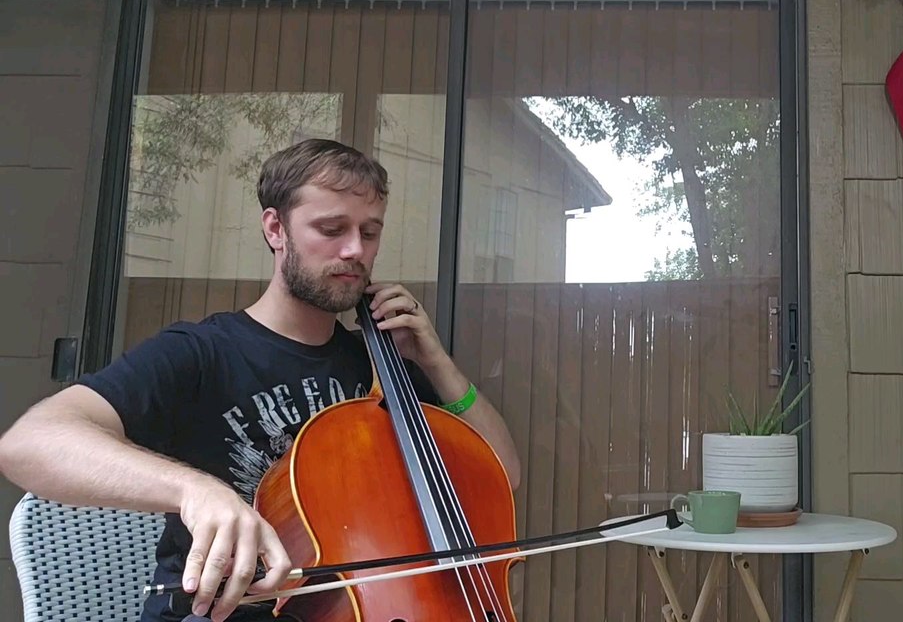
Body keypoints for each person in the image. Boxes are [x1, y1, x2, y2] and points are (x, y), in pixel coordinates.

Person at [0, 138, 522, 622]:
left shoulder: (385, 373)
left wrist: (437, 363)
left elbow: (500, 475)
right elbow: (28, 443)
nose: (355, 252)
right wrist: (194, 490)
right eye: (331, 229)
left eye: (369, 231)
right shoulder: (203, 353)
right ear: (275, 229)